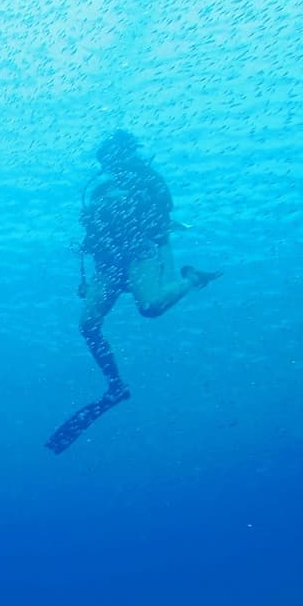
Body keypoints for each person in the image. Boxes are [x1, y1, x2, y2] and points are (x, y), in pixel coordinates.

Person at [76, 130, 221, 404]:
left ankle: (192, 278)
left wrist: (138, 201)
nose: (109, 164)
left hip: (140, 256)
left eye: (114, 156)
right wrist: (85, 277)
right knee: (88, 325)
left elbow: (163, 217)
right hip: (107, 265)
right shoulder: (98, 188)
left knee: (151, 307)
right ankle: (115, 386)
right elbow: (90, 235)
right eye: (106, 159)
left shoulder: (149, 180)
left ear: (128, 152)